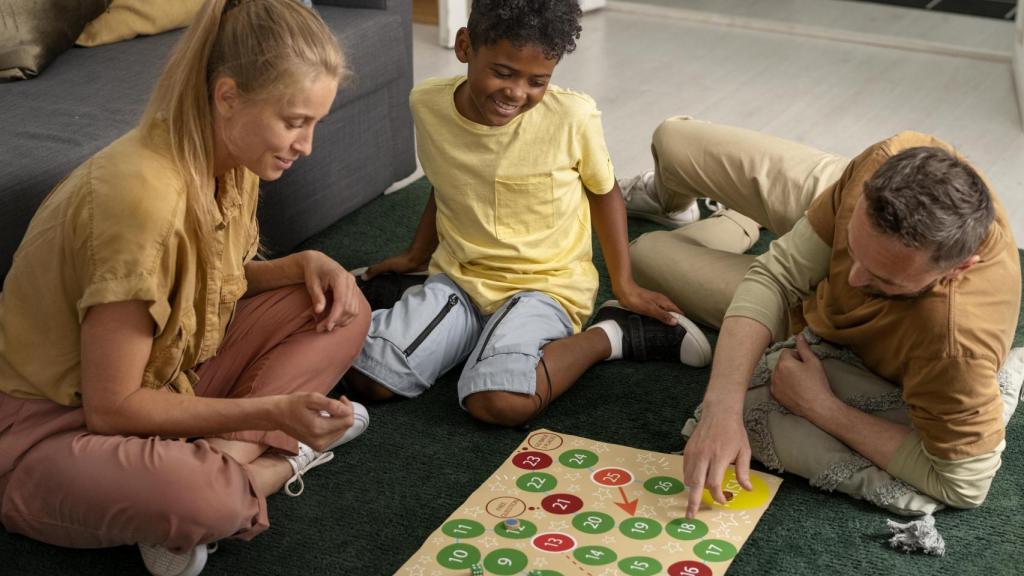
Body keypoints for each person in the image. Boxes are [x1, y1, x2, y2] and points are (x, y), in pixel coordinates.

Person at [0, 1, 371, 574]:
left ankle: (221, 462)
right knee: (209, 499)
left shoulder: (233, 156)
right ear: (228, 96)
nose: (307, 145)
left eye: (314, 123)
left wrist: (301, 263)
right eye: (295, 121)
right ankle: (272, 466)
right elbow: (111, 407)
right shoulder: (142, 201)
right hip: (47, 427)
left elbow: (199, 286)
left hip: (170, 375)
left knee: (338, 306)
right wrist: (272, 410)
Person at [622, 117, 1020, 516]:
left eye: (882, 280)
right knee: (674, 140)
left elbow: (966, 483)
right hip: (835, 198)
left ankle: (736, 221)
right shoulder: (888, 160)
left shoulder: (954, 347)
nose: (850, 276)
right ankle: (704, 214)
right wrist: (721, 409)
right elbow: (777, 273)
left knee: (642, 255)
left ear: (958, 269)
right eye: (853, 248)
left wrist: (822, 407)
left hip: (812, 314)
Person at [345, 0, 712, 427]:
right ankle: (439, 311)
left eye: (537, 80)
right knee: (369, 379)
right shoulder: (427, 104)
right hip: (461, 276)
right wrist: (415, 255)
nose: (517, 93)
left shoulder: (572, 117)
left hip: (546, 285)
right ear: (465, 46)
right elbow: (448, 182)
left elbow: (604, 192)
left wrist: (625, 285)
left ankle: (611, 335)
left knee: (498, 402)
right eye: (502, 72)